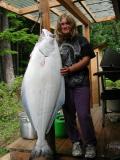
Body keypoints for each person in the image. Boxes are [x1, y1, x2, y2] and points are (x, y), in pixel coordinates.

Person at [55, 13, 97, 158]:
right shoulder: (56, 43)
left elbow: (86, 59)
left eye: (67, 23)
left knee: (84, 114)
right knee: (68, 116)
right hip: (63, 86)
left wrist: (71, 69)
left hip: (81, 83)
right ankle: (76, 142)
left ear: (72, 25)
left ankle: (90, 144)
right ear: (59, 27)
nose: (65, 26)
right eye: (62, 24)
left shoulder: (81, 40)